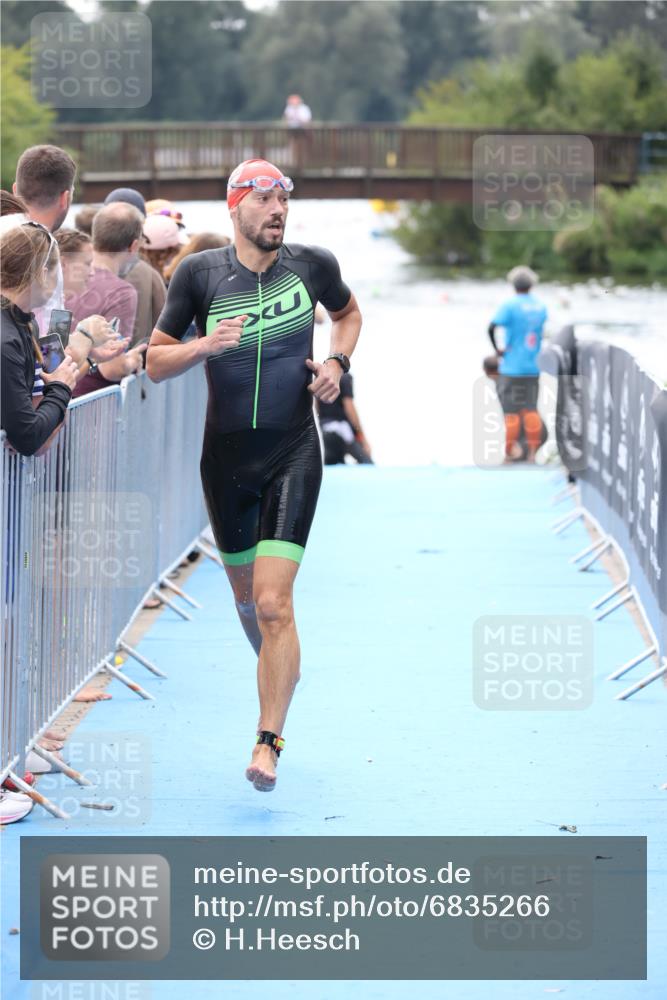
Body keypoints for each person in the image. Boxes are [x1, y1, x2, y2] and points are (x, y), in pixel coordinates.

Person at [147, 158, 362, 792]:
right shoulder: (199, 273)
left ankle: (268, 741)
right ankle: (281, 664)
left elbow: (349, 316)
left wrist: (336, 363)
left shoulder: (312, 265)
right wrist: (203, 347)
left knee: (273, 603)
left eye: (283, 200)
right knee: (248, 604)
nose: (277, 211)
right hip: (226, 461)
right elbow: (156, 363)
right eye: (264, 200)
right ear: (235, 207)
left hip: (294, 448)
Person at [488, 266, 547, 463]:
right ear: (532, 284)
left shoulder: (510, 305)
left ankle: (508, 453)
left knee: (511, 413)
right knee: (531, 409)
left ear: (513, 284)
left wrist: (498, 349)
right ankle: (531, 455)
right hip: (533, 366)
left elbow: (492, 327)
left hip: (512, 366)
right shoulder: (540, 306)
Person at [103, 188, 167, 348]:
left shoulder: (79, 265)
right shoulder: (149, 275)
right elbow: (165, 329)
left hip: (84, 369)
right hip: (135, 365)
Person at [317, 371, 373, 464]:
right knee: (367, 462)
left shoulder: (320, 377)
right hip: (341, 429)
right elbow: (349, 407)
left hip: (325, 429)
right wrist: (363, 438)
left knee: (333, 466)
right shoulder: (345, 377)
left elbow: (316, 405)